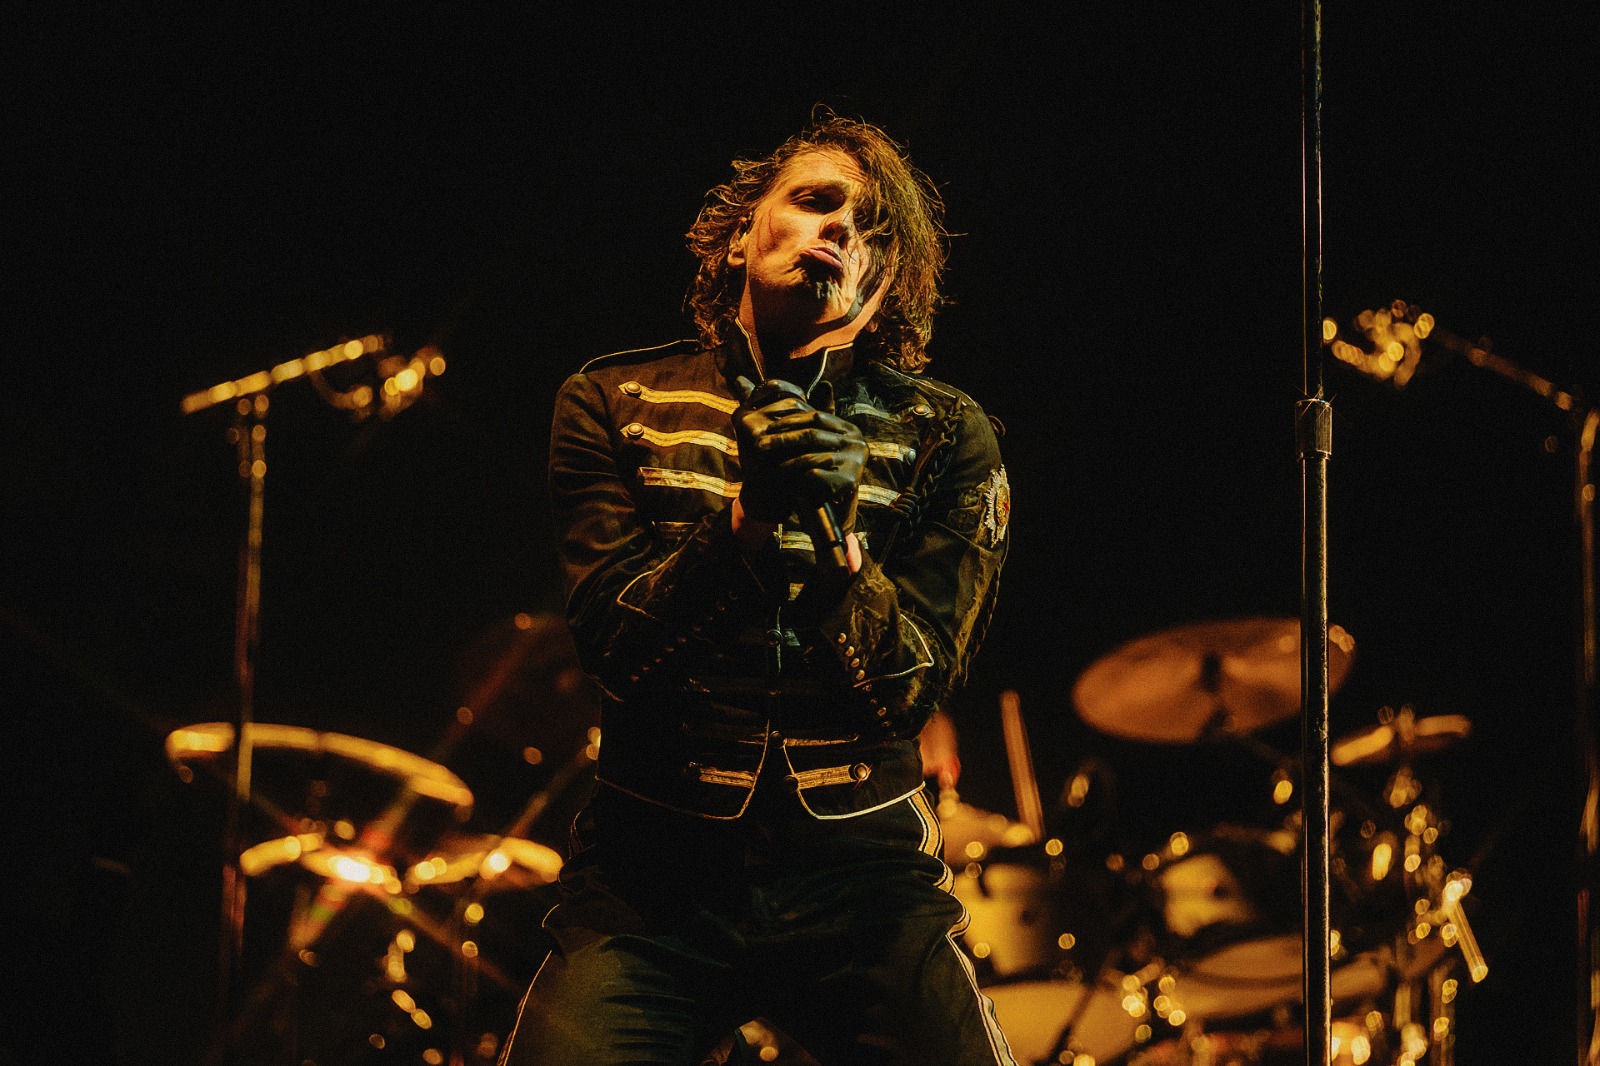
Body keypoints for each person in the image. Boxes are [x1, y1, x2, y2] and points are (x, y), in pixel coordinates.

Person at [499, 112, 1013, 1066]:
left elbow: (910, 690)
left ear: (883, 282)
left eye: (872, 231)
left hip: (865, 882)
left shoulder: (946, 433)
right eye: (816, 201)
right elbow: (614, 647)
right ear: (739, 234)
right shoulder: (613, 401)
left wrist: (833, 546)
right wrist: (741, 529)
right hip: (650, 884)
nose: (841, 230)